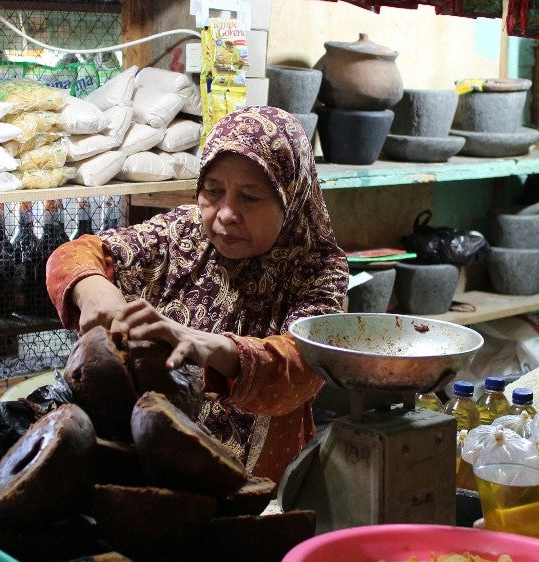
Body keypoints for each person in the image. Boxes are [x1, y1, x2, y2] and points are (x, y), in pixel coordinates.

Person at [46, 106, 348, 482]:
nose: (225, 214)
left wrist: (203, 346)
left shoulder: (319, 270)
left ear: (291, 196)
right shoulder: (183, 232)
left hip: (258, 482)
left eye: (251, 197)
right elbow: (76, 254)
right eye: (213, 191)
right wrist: (93, 288)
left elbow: (301, 369)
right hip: (152, 460)